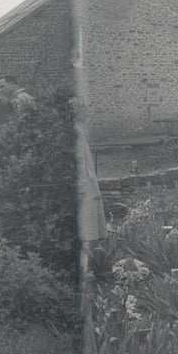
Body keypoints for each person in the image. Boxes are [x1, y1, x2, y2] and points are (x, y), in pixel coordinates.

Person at [74, 99, 107, 274]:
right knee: (86, 232)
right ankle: (84, 271)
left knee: (88, 231)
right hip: (84, 188)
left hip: (88, 185)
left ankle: (87, 269)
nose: (87, 115)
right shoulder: (76, 133)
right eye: (84, 111)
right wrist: (80, 189)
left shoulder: (79, 132)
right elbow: (79, 162)